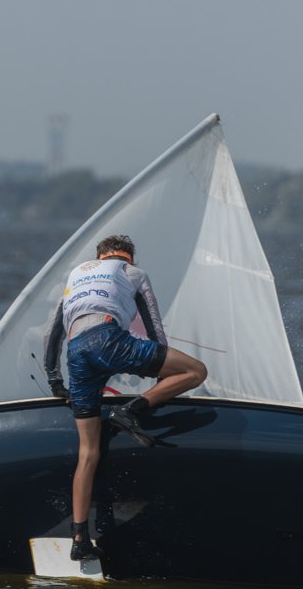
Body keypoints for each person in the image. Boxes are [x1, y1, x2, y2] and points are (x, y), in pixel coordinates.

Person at [43, 235, 208, 560]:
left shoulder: (76, 274)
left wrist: (55, 381)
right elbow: (153, 328)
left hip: (76, 355)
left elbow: (54, 331)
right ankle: (130, 409)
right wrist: (161, 382)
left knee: (88, 454)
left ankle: (79, 539)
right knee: (195, 371)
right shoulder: (134, 273)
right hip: (109, 339)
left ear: (99, 256)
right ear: (127, 257)